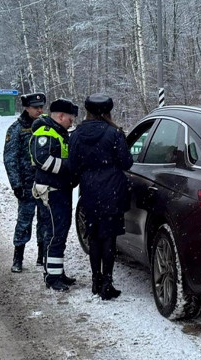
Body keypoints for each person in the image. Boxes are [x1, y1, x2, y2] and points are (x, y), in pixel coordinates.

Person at [68, 93, 133, 300]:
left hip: (89, 189)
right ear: (108, 111)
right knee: (109, 236)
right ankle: (107, 282)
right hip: (112, 188)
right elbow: (126, 162)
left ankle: (95, 280)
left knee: (94, 235)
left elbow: (73, 164)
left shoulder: (77, 134)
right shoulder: (114, 133)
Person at [30, 98, 78, 291]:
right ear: (60, 116)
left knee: (60, 232)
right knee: (55, 234)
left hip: (60, 190)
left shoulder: (58, 132)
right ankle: (52, 278)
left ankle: (56, 272)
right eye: (70, 118)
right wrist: (69, 167)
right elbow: (43, 160)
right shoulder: (45, 133)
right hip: (51, 192)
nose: (72, 122)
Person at [4, 92, 50, 273]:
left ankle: (42, 255)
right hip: (26, 185)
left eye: (41, 107)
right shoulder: (16, 129)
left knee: (45, 220)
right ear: (26, 107)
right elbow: (10, 159)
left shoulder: (47, 126)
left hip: (45, 182)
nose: (39, 110)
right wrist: (16, 184)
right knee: (24, 221)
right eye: (35, 107)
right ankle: (18, 258)